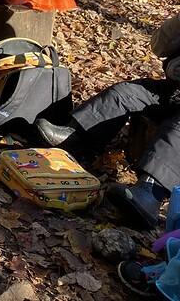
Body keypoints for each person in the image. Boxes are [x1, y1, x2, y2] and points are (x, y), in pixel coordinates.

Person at [36, 13, 180, 229]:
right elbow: (158, 46)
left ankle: (150, 194)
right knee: (125, 93)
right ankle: (76, 138)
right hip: (173, 92)